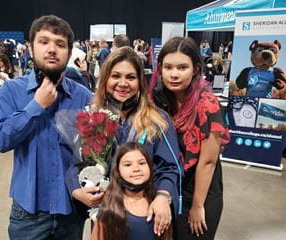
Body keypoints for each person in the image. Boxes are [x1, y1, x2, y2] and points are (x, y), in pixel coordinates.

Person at [0, 15, 93, 240]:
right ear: (30, 47)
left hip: (71, 211)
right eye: (44, 41)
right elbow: (0, 140)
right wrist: (36, 105)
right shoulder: (11, 91)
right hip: (29, 214)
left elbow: (94, 152)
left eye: (60, 44)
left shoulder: (83, 96)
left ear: (69, 52)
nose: (52, 49)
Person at [69, 46, 182, 237]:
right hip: (106, 215)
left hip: (144, 217)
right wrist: (76, 190)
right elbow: (76, 164)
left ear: (140, 83)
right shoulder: (91, 119)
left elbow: (170, 167)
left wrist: (163, 196)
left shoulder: (157, 120)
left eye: (131, 77)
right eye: (115, 76)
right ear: (105, 80)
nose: (123, 83)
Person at [149, 36, 230, 240]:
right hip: (169, 183)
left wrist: (197, 205)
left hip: (200, 188)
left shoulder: (207, 103)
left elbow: (209, 162)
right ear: (160, 68)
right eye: (168, 67)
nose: (174, 74)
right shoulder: (158, 98)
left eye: (182, 67)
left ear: (195, 69)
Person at [91, 142, 172, 240]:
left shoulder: (159, 206)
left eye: (142, 163)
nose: (136, 169)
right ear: (118, 171)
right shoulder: (110, 208)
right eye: (128, 165)